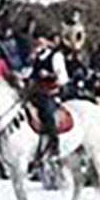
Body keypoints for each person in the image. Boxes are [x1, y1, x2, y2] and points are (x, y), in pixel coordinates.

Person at [30, 31, 68, 165]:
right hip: (37, 91)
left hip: (51, 92)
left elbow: (63, 77)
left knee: (47, 111)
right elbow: (32, 74)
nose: (38, 44)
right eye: (37, 42)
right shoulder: (36, 57)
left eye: (41, 42)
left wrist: (49, 75)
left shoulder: (55, 56)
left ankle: (54, 143)